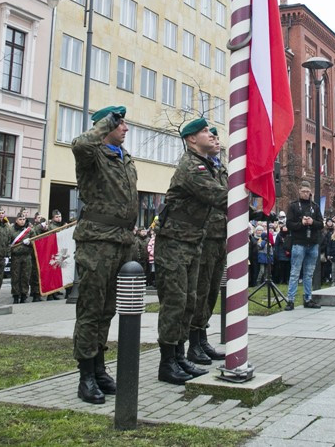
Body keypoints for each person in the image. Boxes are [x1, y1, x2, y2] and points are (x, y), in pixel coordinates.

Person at [71, 105, 141, 403]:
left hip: (122, 240)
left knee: (108, 308)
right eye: (119, 123)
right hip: (97, 240)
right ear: (105, 125)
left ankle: (99, 368)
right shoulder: (93, 154)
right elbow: (80, 144)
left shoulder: (124, 158)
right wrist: (102, 124)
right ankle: (85, 375)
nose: (125, 128)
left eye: (124, 122)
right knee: (91, 308)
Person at [155, 117, 225, 385]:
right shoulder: (192, 166)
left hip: (192, 241)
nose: (210, 134)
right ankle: (167, 362)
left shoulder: (206, 165)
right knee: (175, 302)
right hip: (174, 242)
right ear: (191, 139)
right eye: (205, 131)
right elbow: (218, 196)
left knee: (188, 301)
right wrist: (252, 208)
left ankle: (179, 355)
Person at [188, 126, 228, 364]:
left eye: (216, 137)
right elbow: (221, 197)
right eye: (210, 136)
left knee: (211, 292)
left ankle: (202, 339)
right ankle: (194, 343)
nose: (215, 141)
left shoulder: (218, 168)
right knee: (200, 293)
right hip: (204, 236)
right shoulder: (197, 168)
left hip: (218, 236)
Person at [285, 182, 324, 311]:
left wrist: (312, 222)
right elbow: (289, 224)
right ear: (299, 191)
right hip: (298, 243)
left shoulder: (315, 207)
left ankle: (308, 298)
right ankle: (290, 300)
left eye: (308, 191)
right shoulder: (293, 206)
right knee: (295, 273)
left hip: (312, 243)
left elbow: (321, 224)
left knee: (309, 273)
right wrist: (301, 223)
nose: (306, 194)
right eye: (304, 191)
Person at [8, 213, 34, 304]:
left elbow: (36, 242)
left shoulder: (29, 231)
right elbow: (7, 243)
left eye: (23, 219)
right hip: (16, 256)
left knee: (25, 277)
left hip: (26, 256)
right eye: (20, 219)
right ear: (16, 220)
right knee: (15, 277)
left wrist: (30, 243)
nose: (22, 221)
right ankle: (15, 296)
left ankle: (24, 295)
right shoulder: (11, 230)